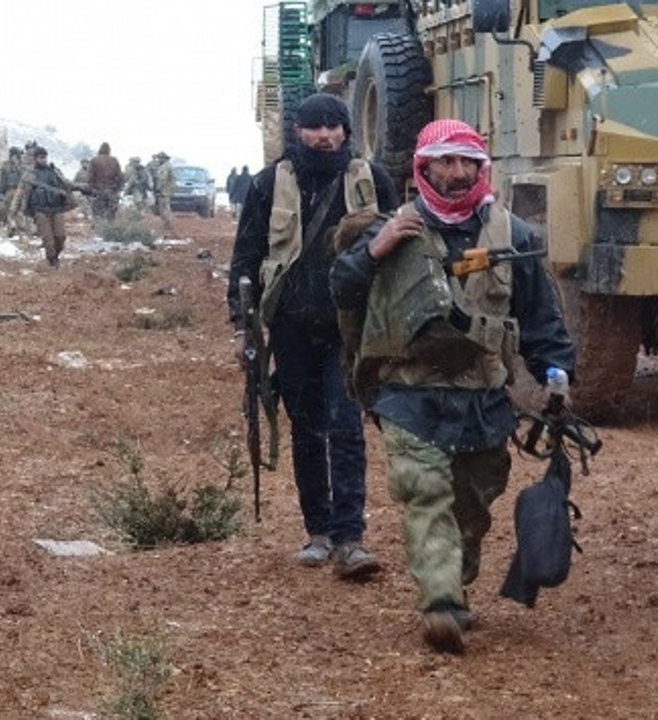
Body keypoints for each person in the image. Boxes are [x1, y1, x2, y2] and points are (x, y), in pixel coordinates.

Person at [329, 118, 574, 654]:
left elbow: (540, 320)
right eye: (445, 161)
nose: (458, 172)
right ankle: (440, 603)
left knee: (473, 503)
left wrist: (557, 375)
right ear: (424, 168)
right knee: (425, 492)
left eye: (468, 162)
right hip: (409, 392)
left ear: (482, 168)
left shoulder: (516, 236)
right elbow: (341, 287)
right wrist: (375, 249)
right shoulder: (392, 228)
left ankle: (454, 583)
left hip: (484, 398)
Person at [227, 93, 398, 578]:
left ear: (347, 131)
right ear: (298, 131)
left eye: (334, 126)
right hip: (291, 326)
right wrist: (242, 327)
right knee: (306, 427)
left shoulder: (372, 180)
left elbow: (404, 250)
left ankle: (350, 538)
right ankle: (317, 532)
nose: (325, 136)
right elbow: (245, 257)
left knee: (346, 426)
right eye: (314, 127)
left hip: (351, 326)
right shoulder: (268, 184)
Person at [19, 145, 83, 267]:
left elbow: (67, 183)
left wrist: (83, 187)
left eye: (45, 157)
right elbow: (21, 193)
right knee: (48, 239)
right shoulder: (29, 175)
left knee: (60, 237)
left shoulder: (54, 172)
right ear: (35, 159)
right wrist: (14, 210)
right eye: (40, 158)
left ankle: (54, 255)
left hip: (56, 209)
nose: (43, 160)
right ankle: (52, 260)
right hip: (40, 210)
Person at [87, 142, 123, 222]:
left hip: (99, 190)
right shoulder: (114, 160)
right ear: (109, 150)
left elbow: (90, 177)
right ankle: (111, 230)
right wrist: (118, 188)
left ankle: (100, 231)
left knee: (98, 214)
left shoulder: (94, 160)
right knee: (111, 214)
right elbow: (119, 176)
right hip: (112, 190)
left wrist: (91, 189)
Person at [0, 146, 27, 235]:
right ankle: (11, 227)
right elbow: (2, 179)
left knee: (19, 210)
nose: (18, 157)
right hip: (10, 189)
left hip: (20, 190)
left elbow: (25, 177)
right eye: (16, 156)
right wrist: (0, 192)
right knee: (8, 209)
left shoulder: (22, 165)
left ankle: (21, 228)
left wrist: (17, 166)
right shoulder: (5, 165)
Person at [150, 151, 175, 232]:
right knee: (165, 207)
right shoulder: (168, 165)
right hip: (167, 190)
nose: (158, 160)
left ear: (163, 158)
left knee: (163, 208)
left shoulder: (164, 167)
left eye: (159, 158)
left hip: (164, 190)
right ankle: (167, 224)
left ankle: (167, 224)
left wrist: (158, 188)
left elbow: (162, 179)